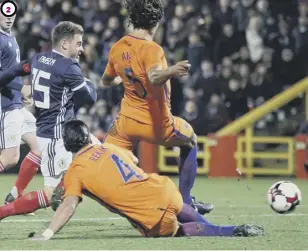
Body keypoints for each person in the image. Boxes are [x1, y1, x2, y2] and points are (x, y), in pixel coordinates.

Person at [29, 120, 264, 240]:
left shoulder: (75, 171)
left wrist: (48, 233)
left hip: (149, 212)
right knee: (181, 208)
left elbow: (68, 205)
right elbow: (133, 159)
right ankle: (228, 228)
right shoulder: (109, 147)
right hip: (161, 186)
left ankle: (227, 231)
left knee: (178, 232)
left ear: (68, 145)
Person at [100, 0, 213, 215]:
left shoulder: (118, 47)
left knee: (104, 160)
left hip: (126, 123)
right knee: (191, 140)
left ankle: (72, 190)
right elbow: (153, 76)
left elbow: (106, 80)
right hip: (158, 124)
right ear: (155, 24)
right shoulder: (152, 49)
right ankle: (185, 201)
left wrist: (121, 80)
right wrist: (172, 71)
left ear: (132, 19)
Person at [0, 21, 98, 219]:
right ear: (64, 44)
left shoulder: (39, 59)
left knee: (96, 152)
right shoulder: (69, 67)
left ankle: (19, 192)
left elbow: (16, 70)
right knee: (49, 194)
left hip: (50, 128)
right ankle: (3, 211)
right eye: (78, 44)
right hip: (57, 136)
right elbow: (89, 98)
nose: (81, 49)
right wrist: (89, 83)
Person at [0, 0, 41, 206]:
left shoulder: (11, 39)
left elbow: (12, 74)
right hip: (5, 105)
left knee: (40, 146)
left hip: (16, 104)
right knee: (10, 158)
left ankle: (15, 195)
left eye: (11, 13)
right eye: (5, 12)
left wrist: (24, 89)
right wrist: (20, 86)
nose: (9, 16)